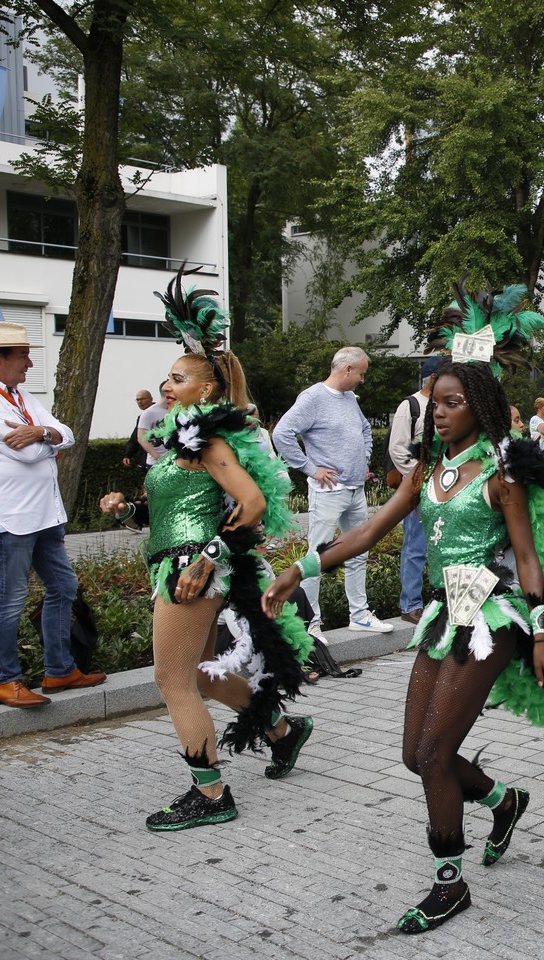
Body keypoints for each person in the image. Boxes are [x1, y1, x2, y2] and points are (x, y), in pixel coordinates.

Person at [265, 282, 544, 934]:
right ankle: (504, 801)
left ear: (480, 405)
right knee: (415, 755)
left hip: (491, 618)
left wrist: (540, 637)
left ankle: (450, 884)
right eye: (433, 403)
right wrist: (299, 570)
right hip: (446, 616)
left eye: (451, 403)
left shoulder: (500, 472)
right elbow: (367, 532)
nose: (437, 413)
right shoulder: (425, 470)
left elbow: (528, 560)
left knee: (437, 754)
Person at [100, 269, 314, 830]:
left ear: (207, 390)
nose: (167, 386)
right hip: (174, 561)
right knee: (196, 676)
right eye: (166, 378)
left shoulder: (210, 439)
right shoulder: (177, 442)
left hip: (191, 570)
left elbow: (252, 503)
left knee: (170, 682)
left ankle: (212, 794)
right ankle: (281, 731)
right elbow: (170, 515)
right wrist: (126, 511)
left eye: (178, 379)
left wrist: (208, 558)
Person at [0, 322, 105, 708]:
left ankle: (60, 670)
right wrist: (46, 436)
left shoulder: (17, 393)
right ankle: (5, 681)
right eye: (23, 355)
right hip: (11, 517)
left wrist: (41, 432)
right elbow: (30, 453)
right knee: (10, 599)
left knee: (64, 587)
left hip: (44, 513)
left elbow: (66, 433)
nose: (30, 363)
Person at [273, 345, 394, 635]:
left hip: (355, 489)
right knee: (317, 558)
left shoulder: (349, 398)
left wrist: (364, 459)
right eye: (361, 374)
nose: (362, 380)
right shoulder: (313, 398)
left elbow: (365, 430)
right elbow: (281, 433)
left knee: (359, 553)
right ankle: (310, 624)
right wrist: (311, 468)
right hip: (328, 491)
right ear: (347, 369)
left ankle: (359, 615)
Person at [388, 358, 440, 627]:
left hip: (445, 487)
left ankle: (438, 600)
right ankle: (410, 605)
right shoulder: (410, 406)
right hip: (419, 487)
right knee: (415, 547)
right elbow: (397, 448)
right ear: (433, 378)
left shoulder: (445, 405)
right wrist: (421, 477)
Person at [136, 381, 170, 467]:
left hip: (174, 462)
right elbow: (141, 438)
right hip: (156, 463)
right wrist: (157, 457)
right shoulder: (149, 412)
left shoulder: (174, 410)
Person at [121, 388, 155, 468]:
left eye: (143, 399)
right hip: (146, 461)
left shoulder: (161, 413)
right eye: (138, 400)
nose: (140, 402)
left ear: (151, 399)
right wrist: (128, 455)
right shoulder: (141, 417)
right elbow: (135, 438)